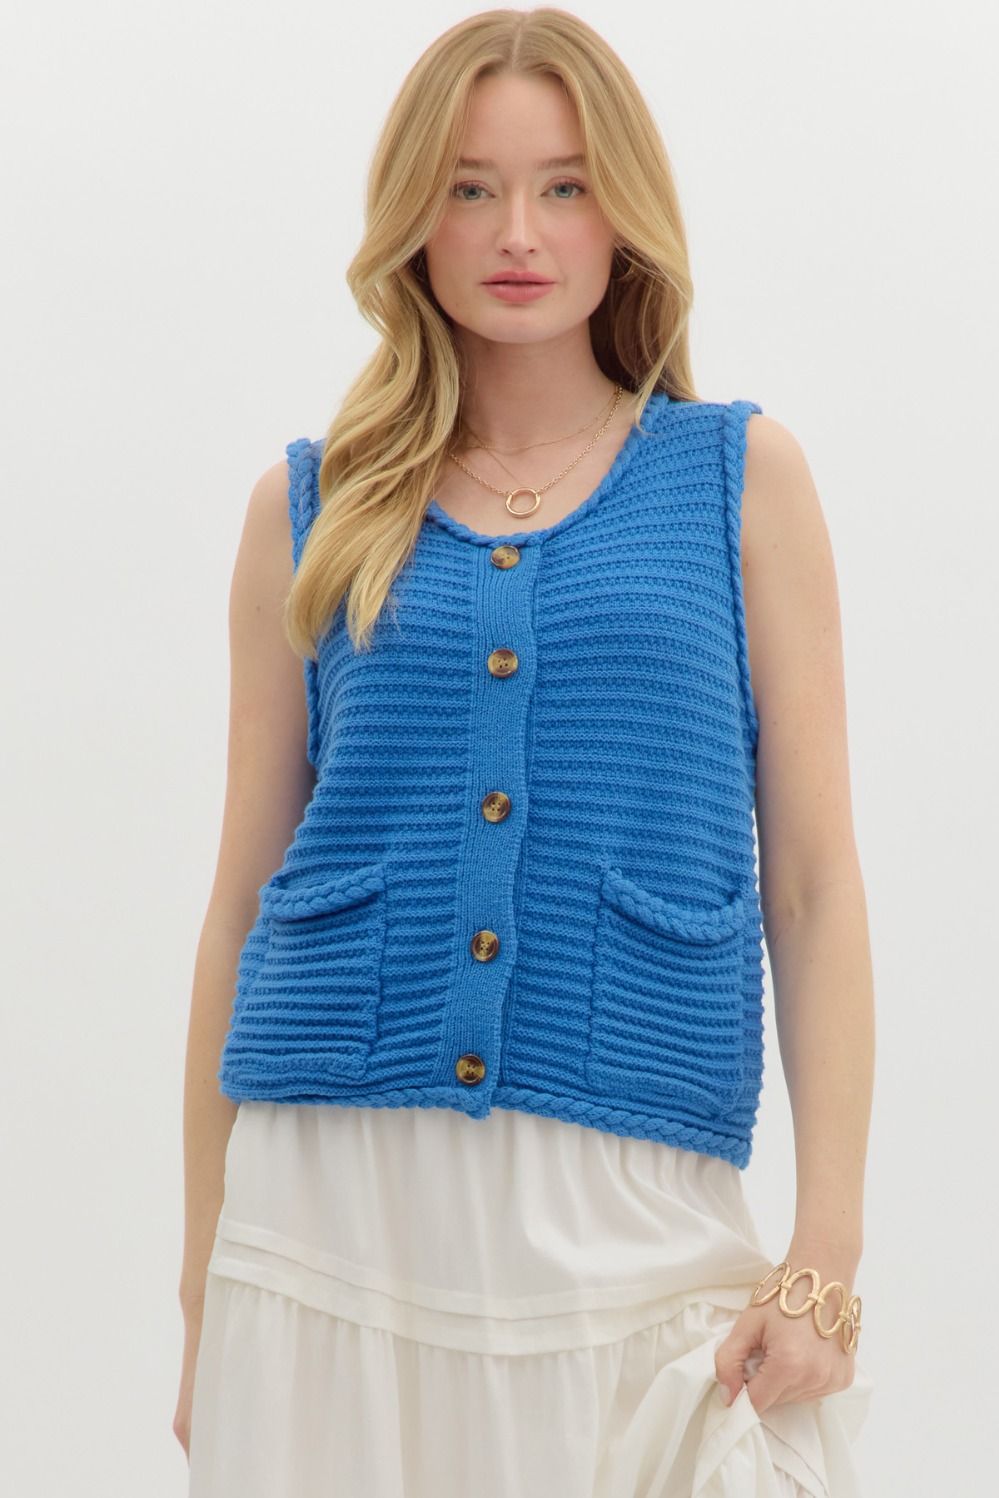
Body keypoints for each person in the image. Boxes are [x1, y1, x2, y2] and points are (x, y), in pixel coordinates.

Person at [176, 10, 875, 1496]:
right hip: (331, 1204)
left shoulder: (739, 481)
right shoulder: (308, 510)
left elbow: (814, 885)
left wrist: (826, 1251)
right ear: (410, 218)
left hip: (629, 1197)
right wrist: (198, 1279)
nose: (516, 231)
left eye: (564, 186)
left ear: (625, 213)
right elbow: (240, 901)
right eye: (470, 187)